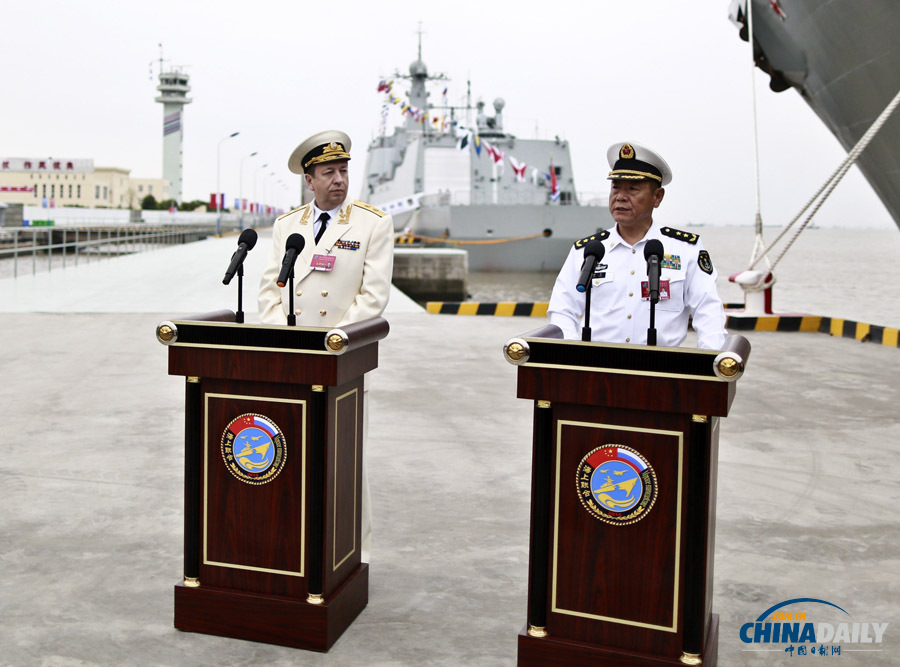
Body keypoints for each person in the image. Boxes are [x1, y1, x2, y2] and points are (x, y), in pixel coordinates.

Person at [547, 142, 727, 349]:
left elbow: (708, 312)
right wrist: (574, 354)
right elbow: (562, 310)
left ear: (657, 197)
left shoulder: (685, 249)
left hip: (661, 372)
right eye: (615, 187)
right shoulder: (587, 252)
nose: (620, 197)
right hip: (596, 372)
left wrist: (711, 366)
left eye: (632, 189)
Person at [258, 130, 393, 327]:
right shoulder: (286, 224)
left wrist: (335, 338)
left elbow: (373, 297)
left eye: (343, 171)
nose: (339, 179)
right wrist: (283, 334)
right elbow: (269, 291)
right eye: (329, 172)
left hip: (340, 343)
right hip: (290, 341)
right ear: (310, 181)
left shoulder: (374, 223)